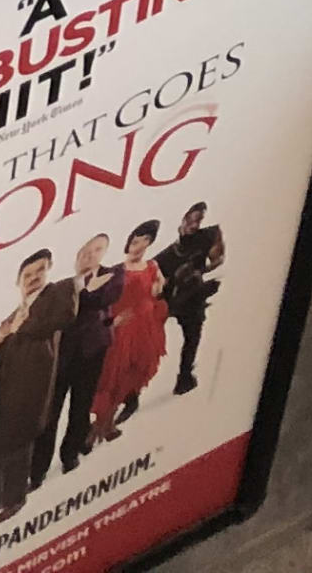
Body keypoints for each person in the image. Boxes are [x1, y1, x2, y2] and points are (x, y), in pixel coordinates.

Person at [0, 252, 69, 521]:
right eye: (27, 275)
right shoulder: (10, 317)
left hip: (32, 386)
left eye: (39, 271)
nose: (33, 278)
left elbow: (62, 318)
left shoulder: (56, 294)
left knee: (19, 441)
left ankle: (14, 500)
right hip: (2, 390)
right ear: (18, 282)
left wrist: (20, 328)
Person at [93, 217, 169, 437]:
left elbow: (157, 290)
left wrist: (158, 288)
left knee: (132, 375)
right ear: (129, 242)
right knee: (112, 378)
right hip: (122, 330)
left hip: (146, 328)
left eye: (146, 241)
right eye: (137, 241)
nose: (140, 246)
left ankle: (106, 426)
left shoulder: (152, 266)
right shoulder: (115, 271)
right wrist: (111, 323)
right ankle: (100, 425)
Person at [54, 232, 119, 474]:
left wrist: (85, 292)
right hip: (62, 353)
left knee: (81, 404)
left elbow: (102, 300)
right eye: (85, 251)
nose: (90, 256)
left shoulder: (112, 275)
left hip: (92, 350)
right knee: (53, 410)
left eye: (97, 250)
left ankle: (70, 454)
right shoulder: (63, 286)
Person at [159, 202, 226, 393]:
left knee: (192, 338)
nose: (194, 224)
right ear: (183, 219)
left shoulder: (207, 236)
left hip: (193, 298)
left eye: (198, 220)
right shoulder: (166, 256)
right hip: (171, 300)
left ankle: (185, 377)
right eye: (191, 219)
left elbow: (218, 258)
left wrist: (200, 272)